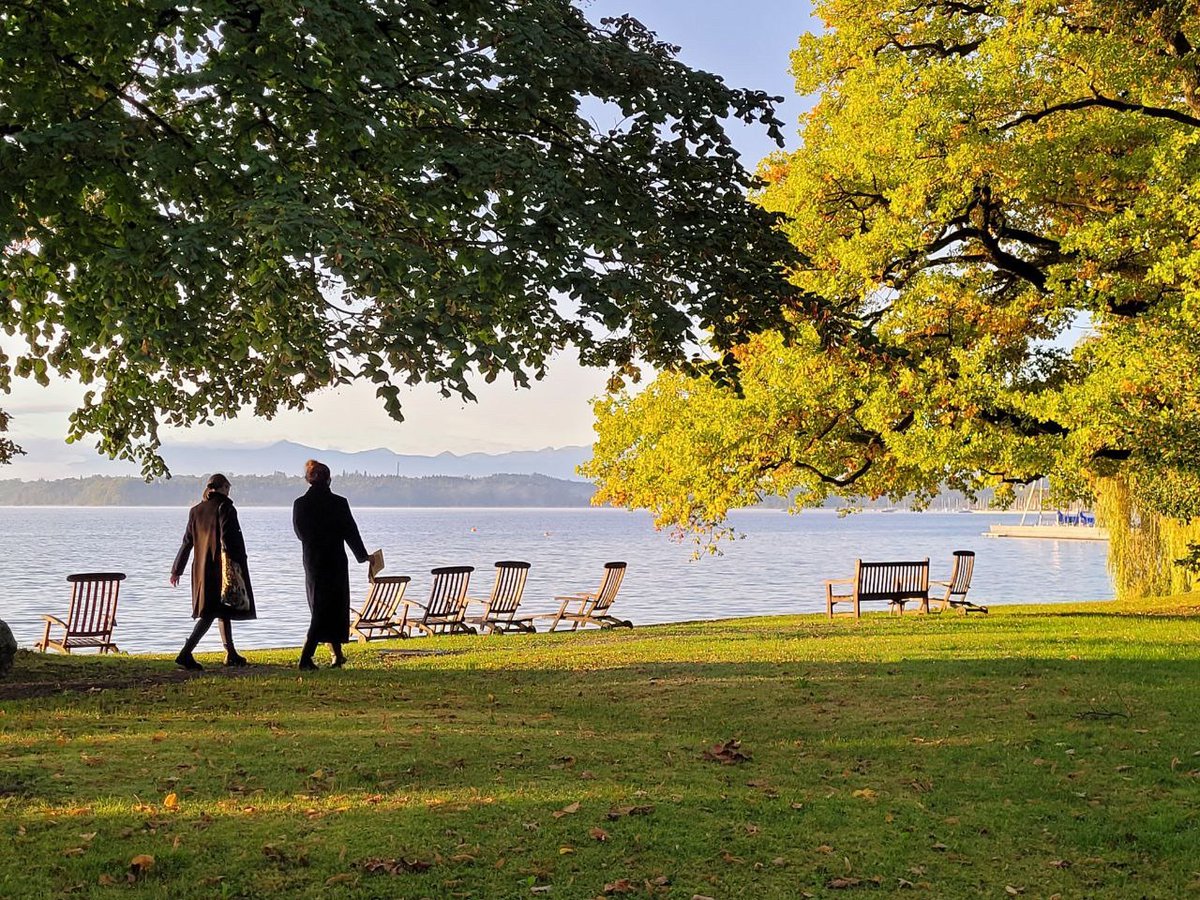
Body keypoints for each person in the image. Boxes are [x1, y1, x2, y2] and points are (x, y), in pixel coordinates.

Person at [170, 473, 255, 670]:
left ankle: (231, 653)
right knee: (211, 612)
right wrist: (239, 564)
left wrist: (177, 570)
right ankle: (185, 653)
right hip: (221, 568)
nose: (229, 491)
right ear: (223, 487)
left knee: (221, 609)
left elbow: (187, 543)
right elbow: (229, 538)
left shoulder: (196, 511)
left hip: (200, 569)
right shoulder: (225, 507)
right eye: (228, 488)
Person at [292, 459, 371, 670]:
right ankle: (305, 657)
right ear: (329, 479)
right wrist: (362, 556)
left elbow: (300, 534)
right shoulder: (339, 503)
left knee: (319, 607)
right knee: (333, 607)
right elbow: (350, 531)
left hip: (313, 561)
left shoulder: (300, 504)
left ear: (308, 479)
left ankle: (337, 654)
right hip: (335, 560)